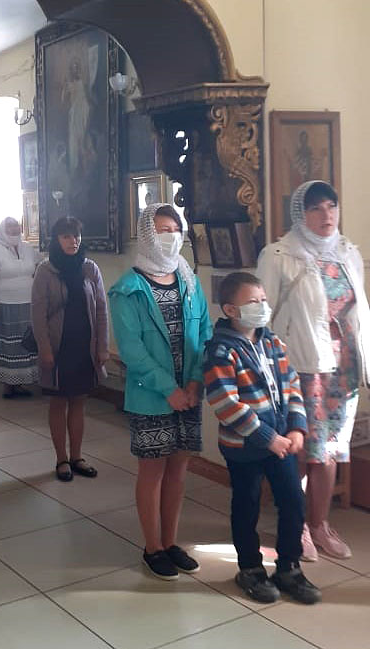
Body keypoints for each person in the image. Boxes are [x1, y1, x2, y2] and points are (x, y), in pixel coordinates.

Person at [257, 180, 370, 561]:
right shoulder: (279, 255)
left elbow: (360, 311)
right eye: (315, 208)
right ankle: (295, 527)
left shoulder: (348, 253)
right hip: (302, 366)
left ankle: (319, 524)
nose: (326, 215)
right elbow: (262, 316)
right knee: (299, 448)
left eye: (331, 206)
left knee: (330, 449)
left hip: (343, 367)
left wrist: (369, 359)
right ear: (300, 214)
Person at [204, 271, 320, 605]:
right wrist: (267, 437)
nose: (262, 306)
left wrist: (296, 426)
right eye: (253, 302)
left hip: (281, 444)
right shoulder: (221, 351)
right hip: (244, 447)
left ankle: (289, 567)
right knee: (247, 504)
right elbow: (225, 404)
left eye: (264, 300)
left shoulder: (273, 343)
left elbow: (292, 385)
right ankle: (250, 568)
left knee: (293, 501)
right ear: (231, 309)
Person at [108, 204, 211, 580]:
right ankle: (152, 547)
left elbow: (204, 334)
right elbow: (132, 350)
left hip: (189, 393)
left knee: (179, 470)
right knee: (153, 471)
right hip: (152, 395)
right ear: (147, 234)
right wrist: (169, 390)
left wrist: (195, 382)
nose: (170, 236)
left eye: (175, 229)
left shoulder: (189, 281)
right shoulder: (128, 290)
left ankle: (170, 542)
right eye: (162, 229)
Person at [31, 216, 108, 482]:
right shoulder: (46, 270)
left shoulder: (90, 268)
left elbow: (101, 311)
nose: (72, 241)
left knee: (78, 400)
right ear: (56, 240)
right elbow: (38, 314)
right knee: (59, 401)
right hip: (58, 346)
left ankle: (77, 456)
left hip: (84, 345)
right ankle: (61, 458)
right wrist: (44, 348)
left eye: (76, 236)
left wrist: (102, 347)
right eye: (66, 236)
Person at [0, 217, 39, 398]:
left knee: (27, 342)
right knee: (9, 345)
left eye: (16, 227)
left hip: (29, 305)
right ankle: (9, 385)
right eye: (10, 227)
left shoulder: (28, 249)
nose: (14, 230)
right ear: (2, 230)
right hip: (5, 306)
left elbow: (37, 272)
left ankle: (23, 381)